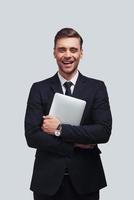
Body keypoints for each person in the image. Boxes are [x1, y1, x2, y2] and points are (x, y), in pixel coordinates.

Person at [24, 28, 112, 200]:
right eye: (62, 49)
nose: (67, 55)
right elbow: (32, 136)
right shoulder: (38, 89)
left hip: (87, 181)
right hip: (47, 182)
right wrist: (77, 144)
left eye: (73, 49)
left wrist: (59, 129)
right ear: (54, 53)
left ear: (81, 53)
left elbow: (103, 131)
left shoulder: (97, 88)